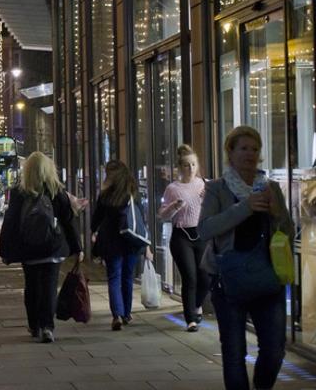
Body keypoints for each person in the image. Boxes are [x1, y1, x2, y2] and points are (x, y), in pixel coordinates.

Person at [198, 125, 293, 390]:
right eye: (244, 148)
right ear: (231, 152)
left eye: (254, 149)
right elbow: (205, 229)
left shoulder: (270, 187)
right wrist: (244, 208)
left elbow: (287, 232)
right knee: (234, 352)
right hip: (229, 279)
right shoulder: (218, 188)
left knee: (274, 350)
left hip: (267, 277)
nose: (250, 154)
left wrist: (276, 213)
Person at [0, 151, 82, 343]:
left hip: (28, 248)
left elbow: (10, 222)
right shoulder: (55, 190)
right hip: (52, 248)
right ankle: (47, 327)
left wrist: (5, 251)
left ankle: (34, 325)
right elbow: (68, 221)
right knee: (50, 287)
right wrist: (78, 248)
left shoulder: (20, 192)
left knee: (32, 287)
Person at [91, 159, 150, 331]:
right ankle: (126, 313)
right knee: (127, 277)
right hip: (130, 240)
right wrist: (146, 245)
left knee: (114, 277)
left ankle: (116, 314)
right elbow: (140, 218)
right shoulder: (132, 192)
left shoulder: (105, 195)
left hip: (111, 241)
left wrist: (94, 231)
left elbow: (96, 219)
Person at [158, 144, 210, 332]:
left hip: (201, 233)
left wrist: (208, 200)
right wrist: (174, 207)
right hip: (182, 236)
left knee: (205, 277)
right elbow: (162, 215)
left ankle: (196, 305)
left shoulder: (204, 184)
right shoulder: (173, 188)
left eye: (194, 164)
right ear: (180, 167)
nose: (191, 169)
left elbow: (213, 211)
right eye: (187, 165)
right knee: (190, 277)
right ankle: (191, 319)